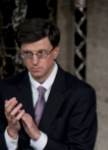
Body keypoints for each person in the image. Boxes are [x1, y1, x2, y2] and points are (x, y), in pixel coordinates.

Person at [0, 18, 97, 149]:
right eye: (27, 53)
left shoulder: (81, 95)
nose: (34, 61)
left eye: (41, 53)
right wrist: (11, 133)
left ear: (55, 52)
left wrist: (38, 137)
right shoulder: (5, 89)